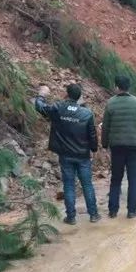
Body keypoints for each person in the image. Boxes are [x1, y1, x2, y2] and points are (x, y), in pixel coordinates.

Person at [33, 83, 99, 225]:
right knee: (87, 185)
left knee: (69, 185)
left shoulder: (58, 109)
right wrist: (94, 150)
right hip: (83, 156)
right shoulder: (86, 113)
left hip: (66, 155)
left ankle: (71, 217)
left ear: (66, 94)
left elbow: (40, 107)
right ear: (79, 97)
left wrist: (41, 94)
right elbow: (92, 135)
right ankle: (93, 214)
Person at [101, 75, 136, 219]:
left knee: (116, 178)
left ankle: (112, 210)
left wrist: (104, 144)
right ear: (128, 87)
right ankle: (131, 211)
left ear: (117, 87)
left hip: (117, 146)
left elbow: (106, 127)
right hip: (134, 146)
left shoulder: (110, 103)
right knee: (133, 179)